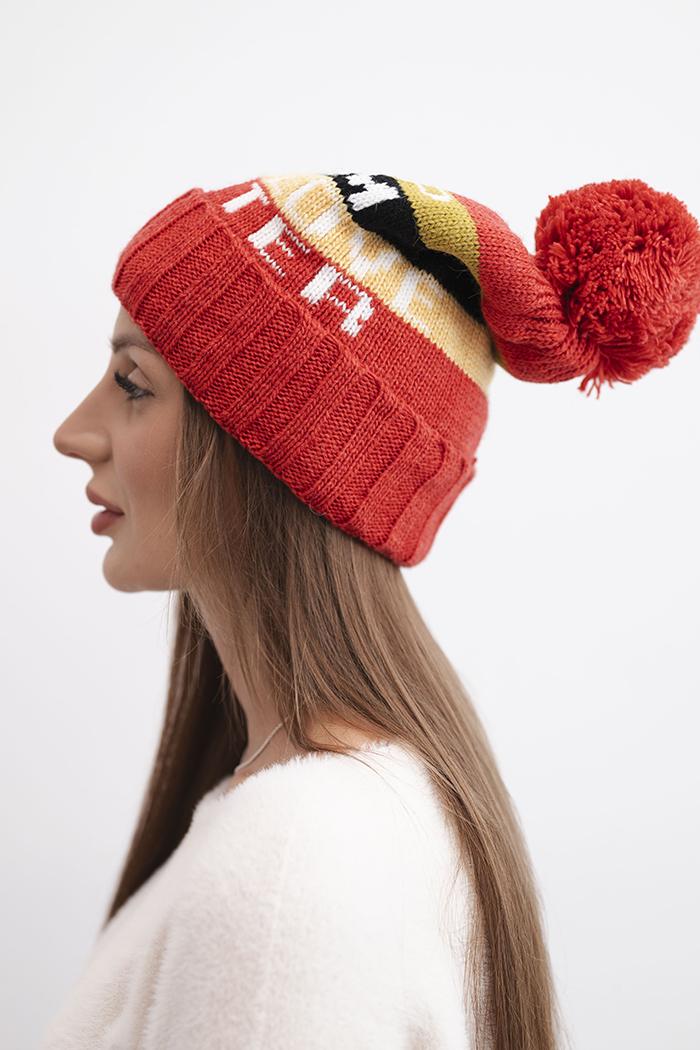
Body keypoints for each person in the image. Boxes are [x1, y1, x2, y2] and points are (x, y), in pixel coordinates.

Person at [44, 173, 700, 1050]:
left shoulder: (290, 864)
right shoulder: (320, 819)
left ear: (275, 447)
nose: (72, 432)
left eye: (133, 383)